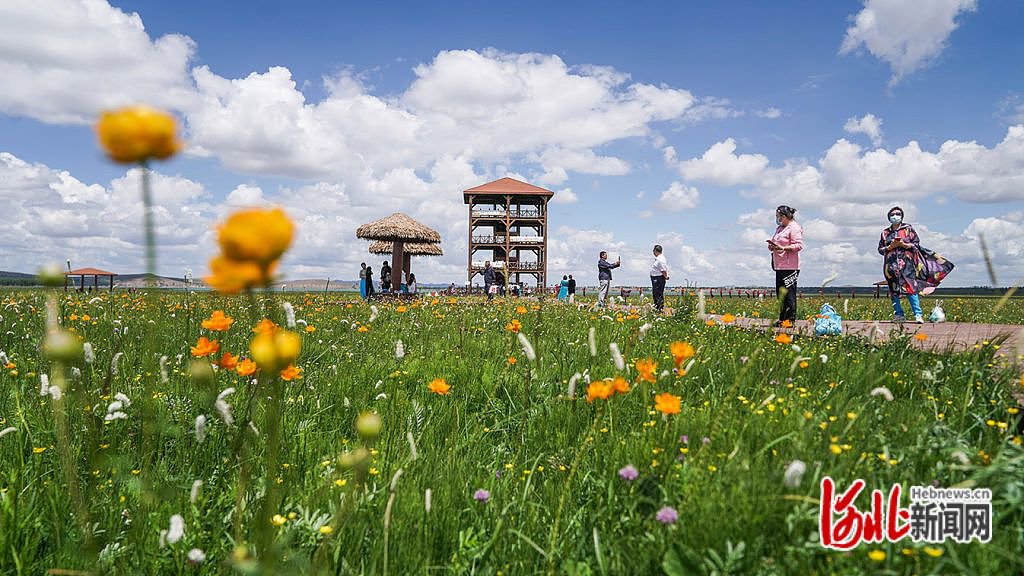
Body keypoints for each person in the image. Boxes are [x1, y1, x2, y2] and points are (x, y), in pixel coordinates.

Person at [878, 206, 954, 323]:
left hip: (908, 265)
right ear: (889, 217)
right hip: (891, 266)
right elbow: (880, 249)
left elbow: (916, 245)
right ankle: (899, 315)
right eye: (892, 214)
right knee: (894, 291)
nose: (895, 216)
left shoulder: (908, 229)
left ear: (902, 216)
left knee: (911, 289)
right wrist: (890, 247)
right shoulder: (885, 233)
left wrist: (905, 245)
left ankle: (918, 314)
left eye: (898, 214)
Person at [768, 205, 803, 326]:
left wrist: (783, 247)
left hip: (790, 266)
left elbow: (798, 245)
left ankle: (789, 320)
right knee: (780, 294)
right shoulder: (779, 229)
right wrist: (772, 246)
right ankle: (782, 319)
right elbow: (777, 242)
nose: (778, 219)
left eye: (779, 217)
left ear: (785, 216)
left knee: (789, 294)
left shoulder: (794, 228)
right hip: (779, 265)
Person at [649, 244, 669, 312]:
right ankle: (657, 306)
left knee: (658, 293)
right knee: (656, 293)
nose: (653, 252)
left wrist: (666, 276)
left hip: (658, 278)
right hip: (656, 278)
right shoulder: (659, 258)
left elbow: (663, 270)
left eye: (653, 251)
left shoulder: (660, 259)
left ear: (655, 251)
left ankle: (659, 308)